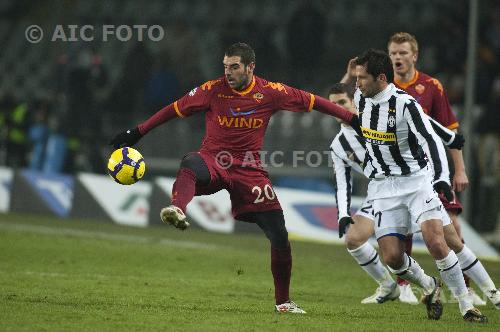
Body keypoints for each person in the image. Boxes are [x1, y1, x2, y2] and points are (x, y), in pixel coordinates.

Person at [110, 42, 360, 314]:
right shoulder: (212, 90)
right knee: (191, 163)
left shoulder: (270, 92)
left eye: (234, 67)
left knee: (279, 235)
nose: (228, 73)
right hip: (214, 161)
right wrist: (137, 132)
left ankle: (283, 302)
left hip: (250, 171)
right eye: (225, 67)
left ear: (251, 67)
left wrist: (351, 118)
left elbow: (314, 101)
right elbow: (173, 109)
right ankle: (177, 209)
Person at [340, 49, 487, 323]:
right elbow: (338, 103)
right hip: (384, 189)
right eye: (356, 78)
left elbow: (431, 141)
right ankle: (430, 285)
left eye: (362, 78)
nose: (357, 84)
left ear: (381, 78)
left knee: (436, 242)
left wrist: (442, 177)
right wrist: (349, 75)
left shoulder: (406, 104)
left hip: (416, 182)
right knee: (393, 258)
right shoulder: (362, 97)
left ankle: (466, 305)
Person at [386, 32, 483, 304]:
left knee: (452, 227)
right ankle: (404, 285)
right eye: (393, 53)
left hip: (433, 170)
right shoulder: (385, 87)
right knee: (402, 228)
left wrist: (459, 170)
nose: (397, 58)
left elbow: (450, 130)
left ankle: (466, 288)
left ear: (414, 55)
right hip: (402, 172)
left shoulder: (431, 86)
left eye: (403, 53)